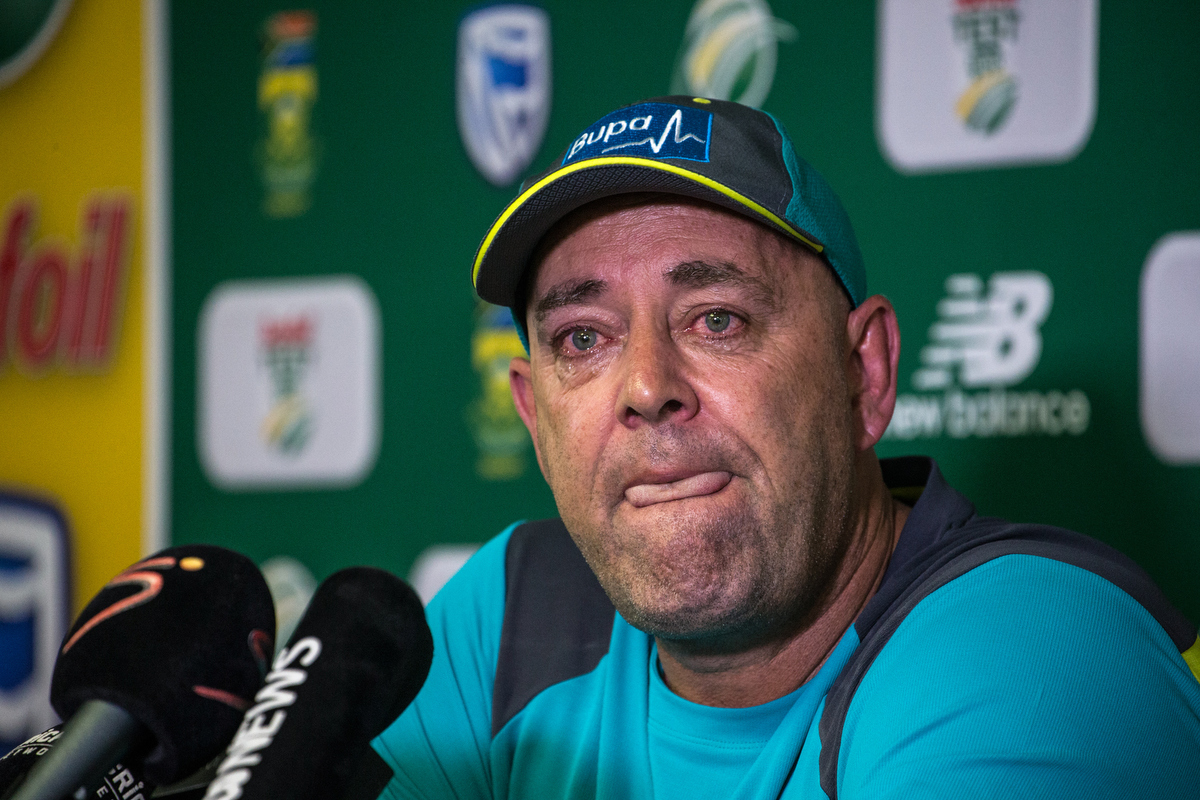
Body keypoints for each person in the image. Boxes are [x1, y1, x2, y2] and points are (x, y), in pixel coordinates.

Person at [373, 97, 1200, 798]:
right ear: (534, 419)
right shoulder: (517, 610)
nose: (645, 385)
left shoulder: (1037, 647)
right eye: (584, 338)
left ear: (862, 375)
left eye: (717, 319)